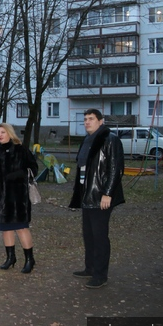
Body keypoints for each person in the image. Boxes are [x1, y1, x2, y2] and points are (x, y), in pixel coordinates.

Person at [69, 108, 125, 289]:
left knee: (100, 236)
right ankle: (90, 268)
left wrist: (107, 193)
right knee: (88, 234)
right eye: (85, 119)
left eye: (91, 119)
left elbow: (116, 169)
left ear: (101, 121)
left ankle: (101, 275)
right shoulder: (87, 140)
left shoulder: (110, 140)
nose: (87, 122)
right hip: (87, 195)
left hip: (101, 196)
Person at [0, 123, 39, 273]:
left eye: (3, 132)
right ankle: (10, 258)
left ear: (10, 134)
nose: (0, 135)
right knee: (6, 229)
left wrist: (19, 174)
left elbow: (33, 168)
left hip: (18, 197)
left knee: (21, 228)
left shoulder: (21, 150)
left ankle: (29, 259)